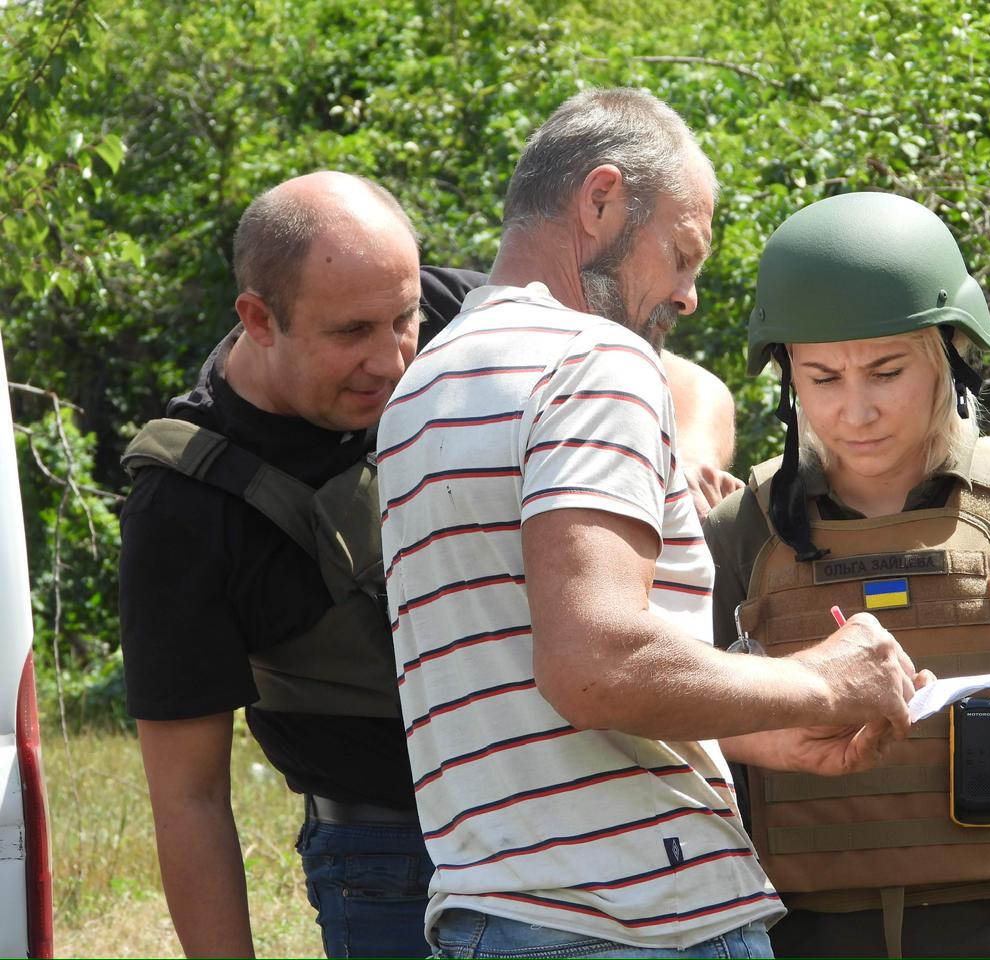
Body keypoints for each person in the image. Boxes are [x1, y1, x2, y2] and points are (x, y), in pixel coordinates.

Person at [117, 170, 742, 958]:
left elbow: (689, 385)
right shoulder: (185, 507)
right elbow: (190, 798)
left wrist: (673, 451)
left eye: (403, 318)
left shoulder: (456, 312)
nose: (393, 358)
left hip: (587, 807)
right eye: (351, 334)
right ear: (258, 318)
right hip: (388, 857)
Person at [378, 87, 930, 959]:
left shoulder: (420, 388)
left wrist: (756, 723)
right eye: (680, 255)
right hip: (634, 921)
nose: (689, 295)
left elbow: (528, 675)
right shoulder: (596, 359)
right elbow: (595, 662)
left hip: (494, 909)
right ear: (600, 200)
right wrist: (826, 683)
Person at [705, 192, 990, 958]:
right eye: (823, 378)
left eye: (885, 370)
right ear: (787, 381)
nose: (857, 410)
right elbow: (686, 744)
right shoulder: (739, 538)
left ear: (947, 353)